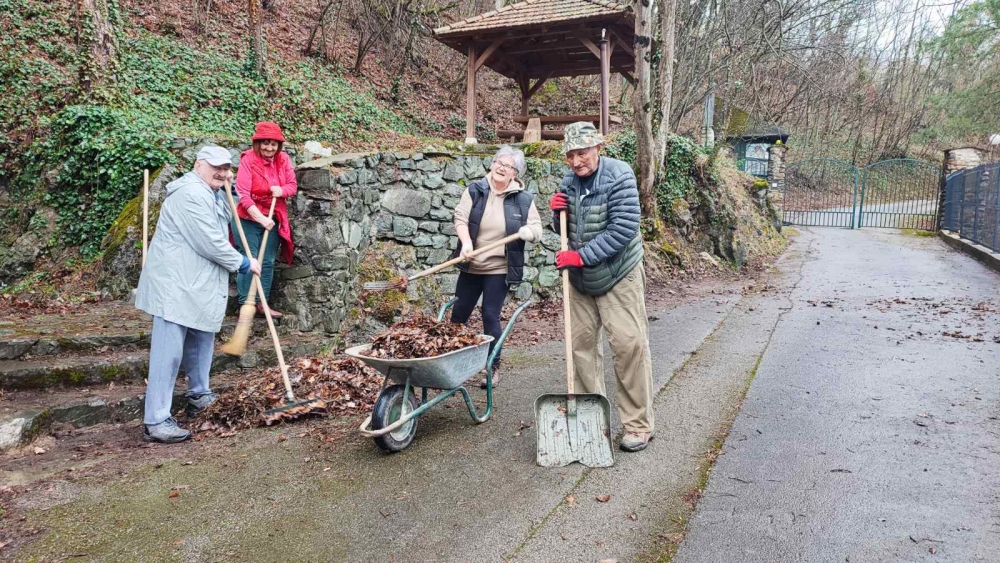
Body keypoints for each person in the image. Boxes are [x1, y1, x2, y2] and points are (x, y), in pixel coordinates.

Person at [135, 146, 260, 443]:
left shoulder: (213, 192)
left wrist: (232, 193)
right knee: (168, 353)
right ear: (198, 165)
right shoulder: (189, 194)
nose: (222, 172)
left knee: (202, 338)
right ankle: (156, 420)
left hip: (195, 283)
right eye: (216, 167)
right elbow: (210, 241)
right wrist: (243, 263)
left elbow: (225, 219)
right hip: (175, 285)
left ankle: (199, 394)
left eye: (226, 168)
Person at [549, 122, 654, 452]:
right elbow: (566, 229)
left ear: (598, 148)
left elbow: (623, 228)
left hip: (618, 273)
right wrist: (557, 214)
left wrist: (580, 257)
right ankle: (590, 420)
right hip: (581, 279)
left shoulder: (619, 175)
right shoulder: (569, 181)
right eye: (570, 155)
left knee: (628, 345)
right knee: (580, 347)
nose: (576, 161)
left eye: (582, 153)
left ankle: (638, 425)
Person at [452, 146, 543, 387]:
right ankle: (451, 365)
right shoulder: (475, 190)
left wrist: (529, 231)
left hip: (499, 268)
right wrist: (466, 243)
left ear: (515, 173)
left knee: (490, 315)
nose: (502, 168)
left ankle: (492, 367)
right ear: (492, 164)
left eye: (508, 166)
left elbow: (538, 229)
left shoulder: (523, 200)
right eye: (499, 163)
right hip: (472, 263)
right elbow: (461, 218)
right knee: (458, 315)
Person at [233, 121, 297, 318]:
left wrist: (282, 190)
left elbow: (292, 186)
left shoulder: (283, 160)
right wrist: (260, 218)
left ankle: (262, 303)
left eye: (274, 144)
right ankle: (246, 304)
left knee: (267, 261)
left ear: (279, 145)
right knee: (250, 259)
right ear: (258, 143)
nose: (269, 148)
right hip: (248, 218)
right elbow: (243, 194)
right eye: (265, 143)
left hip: (273, 215)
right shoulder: (248, 160)